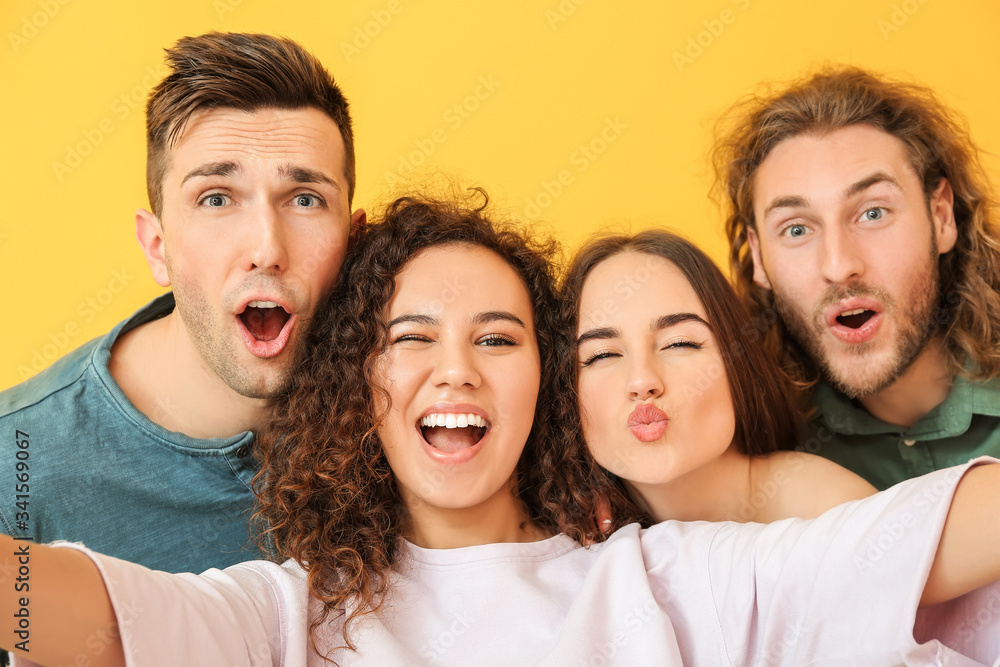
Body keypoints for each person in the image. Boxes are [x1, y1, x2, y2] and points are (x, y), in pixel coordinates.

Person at [5, 193, 1000, 666]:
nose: (456, 370)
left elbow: (929, 538)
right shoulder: (287, 618)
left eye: (497, 336)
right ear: (359, 383)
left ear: (543, 385)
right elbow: (62, 618)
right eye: (411, 337)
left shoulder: (663, 579)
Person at [0, 32, 365, 573]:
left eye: (306, 199)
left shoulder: (408, 418)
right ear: (158, 247)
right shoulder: (16, 466)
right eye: (216, 198)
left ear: (353, 244)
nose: (267, 248)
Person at [715, 66, 1000, 490]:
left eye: (873, 213)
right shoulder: (752, 453)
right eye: (797, 229)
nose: (838, 264)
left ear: (940, 217)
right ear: (758, 256)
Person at [560, 229, 875, 524]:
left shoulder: (833, 514)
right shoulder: (573, 543)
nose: (642, 382)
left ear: (738, 362)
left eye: (679, 344)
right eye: (602, 355)